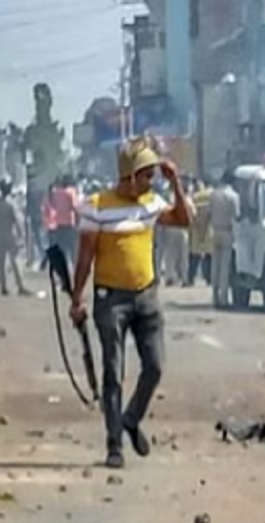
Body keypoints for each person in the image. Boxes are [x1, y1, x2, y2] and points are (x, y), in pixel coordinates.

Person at [71, 137, 192, 469]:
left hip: (146, 295)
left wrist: (175, 182)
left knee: (155, 366)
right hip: (111, 300)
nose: (151, 181)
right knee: (113, 371)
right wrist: (77, 298)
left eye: (153, 175)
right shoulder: (97, 206)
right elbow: (85, 257)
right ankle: (114, 445)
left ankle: (131, 418)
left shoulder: (151, 203)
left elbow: (183, 220)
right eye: (147, 175)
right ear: (130, 176)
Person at [0, 180, 30, 296]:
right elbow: (17, 221)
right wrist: (22, 235)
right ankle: (20, 286)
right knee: (15, 261)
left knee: (1, 262)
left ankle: (3, 287)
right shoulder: (11, 205)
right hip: (10, 234)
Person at [208, 170, 240, 308]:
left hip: (215, 231)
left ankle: (214, 296)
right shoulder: (233, 196)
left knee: (215, 265)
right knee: (224, 267)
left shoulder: (214, 194)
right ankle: (223, 298)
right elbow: (237, 215)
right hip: (227, 231)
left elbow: (208, 213)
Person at [46, 175, 80, 265]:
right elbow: (75, 207)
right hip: (69, 224)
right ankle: (75, 266)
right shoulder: (71, 192)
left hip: (59, 224)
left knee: (62, 248)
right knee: (73, 248)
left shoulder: (56, 193)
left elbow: (53, 205)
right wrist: (78, 221)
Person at [187, 178, 212, 286]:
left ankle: (190, 278)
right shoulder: (210, 195)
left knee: (194, 256)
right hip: (208, 229)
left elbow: (191, 214)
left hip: (196, 229)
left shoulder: (193, 197)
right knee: (208, 256)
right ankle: (209, 278)